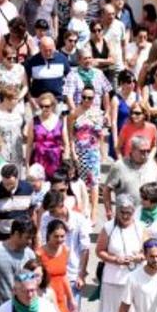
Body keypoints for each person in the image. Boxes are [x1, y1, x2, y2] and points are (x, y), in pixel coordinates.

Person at [95, 194, 145, 312]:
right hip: (113, 279)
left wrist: (138, 257)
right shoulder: (109, 228)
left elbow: (148, 251)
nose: (125, 216)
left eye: (129, 213)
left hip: (134, 279)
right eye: (122, 212)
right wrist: (115, 259)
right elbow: (99, 251)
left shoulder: (140, 227)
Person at [66, 85, 105, 221]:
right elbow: (70, 135)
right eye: (84, 97)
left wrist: (102, 152)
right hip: (79, 152)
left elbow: (100, 135)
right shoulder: (74, 113)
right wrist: (72, 151)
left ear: (94, 98)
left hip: (93, 152)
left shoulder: (99, 113)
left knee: (94, 183)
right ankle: (82, 209)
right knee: (80, 183)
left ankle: (94, 212)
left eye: (90, 97)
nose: (87, 100)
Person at [102, 136, 157, 217]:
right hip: (126, 217)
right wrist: (109, 211)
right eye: (142, 151)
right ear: (133, 150)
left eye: (148, 151)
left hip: (149, 217)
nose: (146, 154)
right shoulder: (119, 166)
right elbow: (106, 190)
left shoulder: (152, 164)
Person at [0, 164, 35, 245]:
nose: (7, 187)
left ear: (17, 178)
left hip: (23, 242)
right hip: (1, 242)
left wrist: (35, 239)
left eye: (11, 184)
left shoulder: (28, 189)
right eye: (5, 184)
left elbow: (33, 215)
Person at [36, 219, 76, 312]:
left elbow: (64, 276)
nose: (59, 239)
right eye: (56, 236)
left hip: (60, 297)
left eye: (62, 236)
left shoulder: (65, 250)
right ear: (49, 235)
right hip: (45, 297)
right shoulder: (39, 253)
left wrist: (71, 298)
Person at [0, 86, 26, 178]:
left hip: (16, 153)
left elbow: (23, 130)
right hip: (0, 154)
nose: (17, 101)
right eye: (14, 99)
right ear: (6, 99)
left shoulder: (20, 112)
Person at [27, 93, 68, 180]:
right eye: (41, 106)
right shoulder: (34, 121)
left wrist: (66, 160)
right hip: (39, 159)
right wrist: (27, 164)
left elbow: (66, 143)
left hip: (56, 160)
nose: (44, 109)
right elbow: (29, 145)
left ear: (53, 106)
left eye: (47, 106)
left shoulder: (60, 121)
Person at [24, 37, 71, 109]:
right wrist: (31, 99)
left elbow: (69, 79)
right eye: (45, 50)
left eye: (50, 50)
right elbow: (26, 83)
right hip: (38, 102)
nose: (48, 53)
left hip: (58, 101)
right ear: (40, 48)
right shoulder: (31, 62)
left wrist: (66, 97)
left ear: (54, 47)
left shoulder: (62, 59)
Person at [109, 70, 139, 158]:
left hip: (134, 135)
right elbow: (113, 122)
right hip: (120, 134)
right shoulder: (116, 99)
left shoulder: (138, 97)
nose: (132, 84)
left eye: (134, 81)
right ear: (122, 83)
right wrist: (115, 141)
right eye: (129, 82)